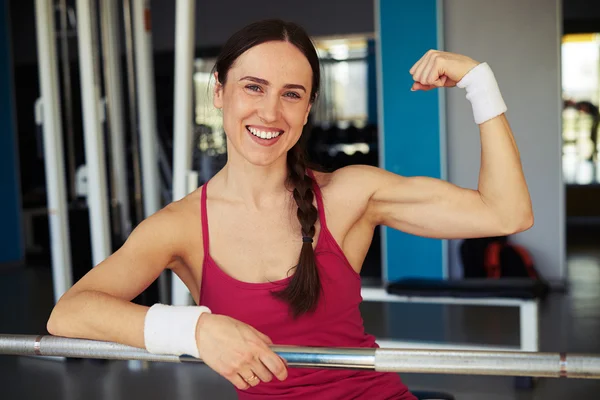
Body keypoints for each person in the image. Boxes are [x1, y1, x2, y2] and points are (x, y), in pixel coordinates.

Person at [46, 19, 533, 400]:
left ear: (308, 108)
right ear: (219, 91)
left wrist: (478, 82)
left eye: (291, 95)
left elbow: (505, 213)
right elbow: (69, 313)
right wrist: (194, 329)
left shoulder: (349, 194)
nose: (270, 112)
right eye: (253, 87)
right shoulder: (179, 227)